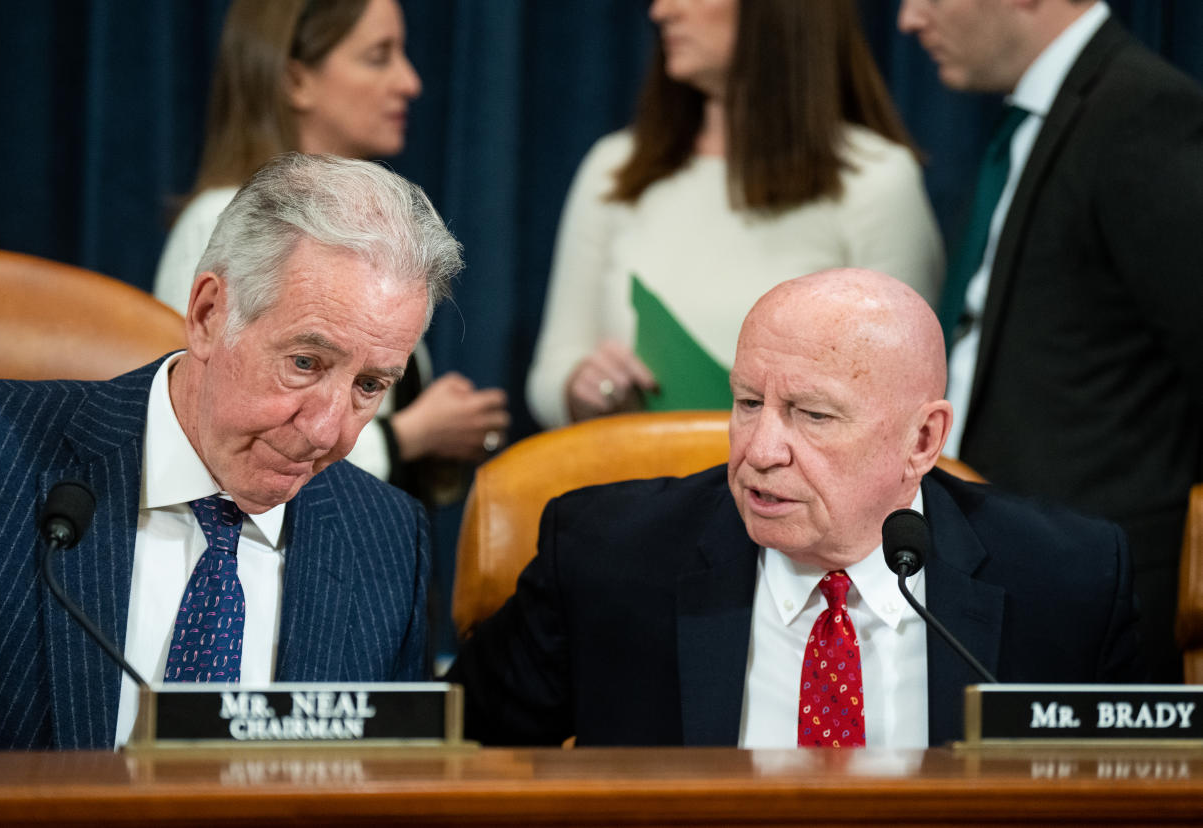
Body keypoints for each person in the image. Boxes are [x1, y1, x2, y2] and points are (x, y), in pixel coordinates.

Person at [448, 268, 1143, 748]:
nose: (761, 450)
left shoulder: (1068, 582)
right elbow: (447, 757)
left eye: (812, 415)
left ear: (923, 439)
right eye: (748, 403)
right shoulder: (609, 558)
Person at [0, 153, 463, 750]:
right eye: (305, 363)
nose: (328, 432)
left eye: (370, 386)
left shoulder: (384, 539)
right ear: (206, 314)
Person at [898, 0, 1203, 682]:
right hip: (1003, 566)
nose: (909, 21)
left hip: (1095, 597)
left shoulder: (1143, 113)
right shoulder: (1041, 119)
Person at [525, 0, 944, 428]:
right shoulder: (614, 168)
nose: (661, 11)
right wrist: (584, 389)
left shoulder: (876, 179)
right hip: (634, 483)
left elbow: (904, 404)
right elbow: (551, 375)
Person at [154, 0, 507, 502]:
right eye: (378, 56)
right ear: (296, 80)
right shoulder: (220, 221)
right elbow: (199, 429)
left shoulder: (379, 246)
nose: (410, 82)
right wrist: (409, 435)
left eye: (369, 385)